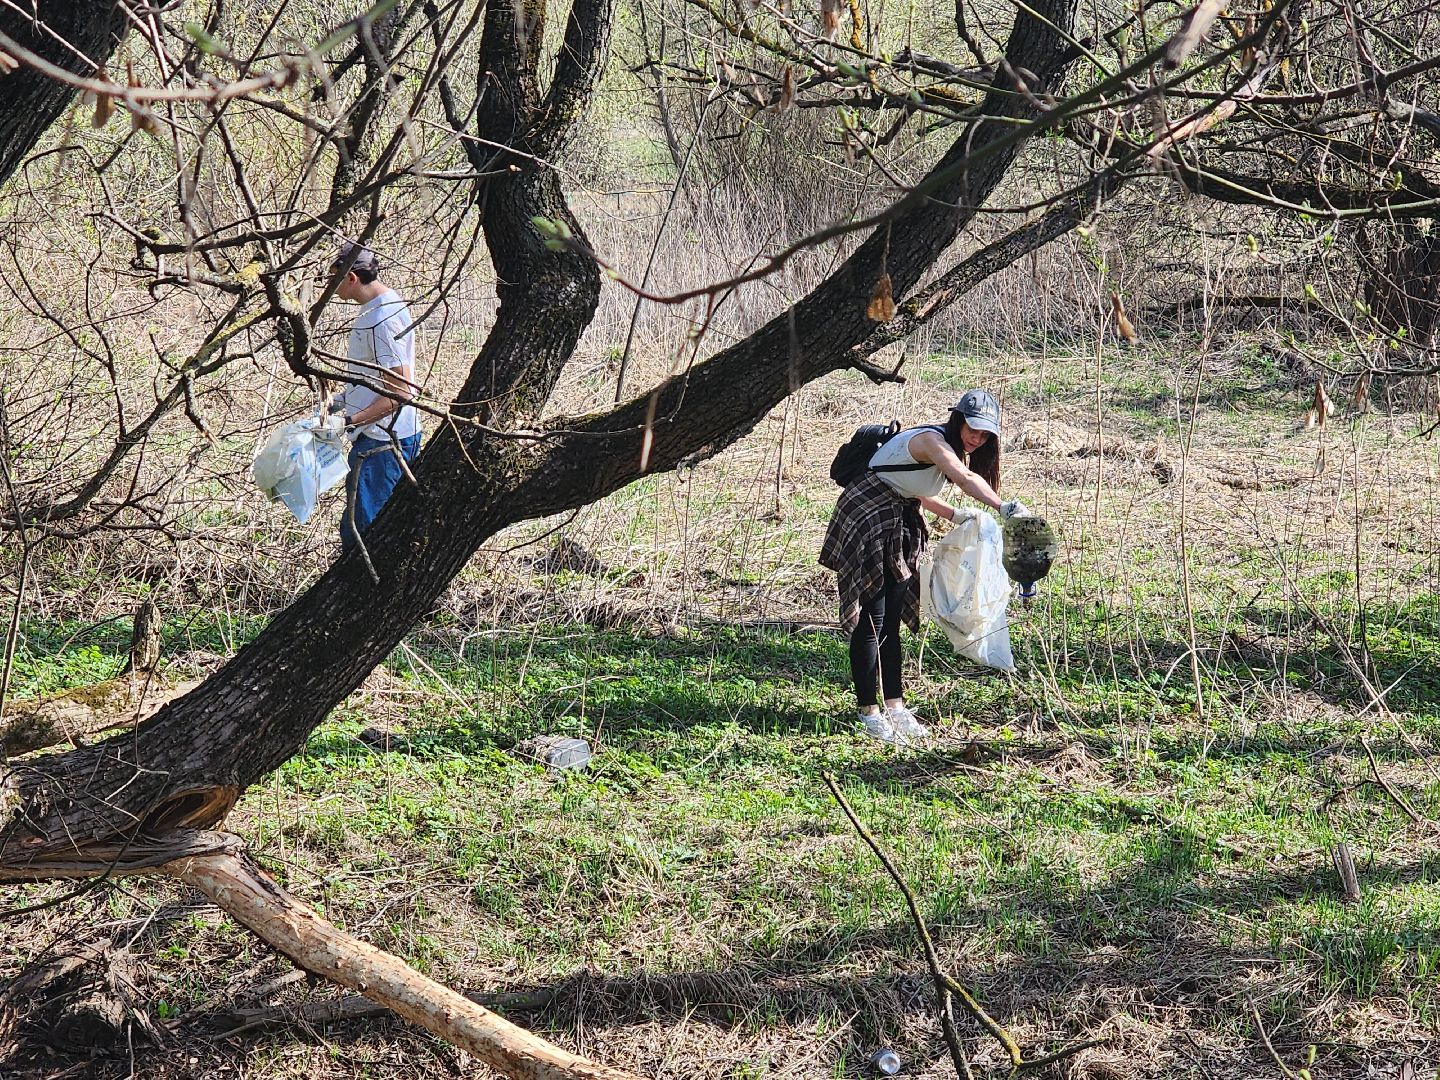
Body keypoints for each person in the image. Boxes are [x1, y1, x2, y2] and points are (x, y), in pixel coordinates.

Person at [820, 389, 1026, 744]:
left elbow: (912, 487)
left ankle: (896, 707)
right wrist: (1003, 507)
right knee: (872, 618)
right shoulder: (932, 441)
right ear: (957, 420)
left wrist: (955, 514)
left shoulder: (950, 447)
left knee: (891, 621)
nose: (977, 439)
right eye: (973, 429)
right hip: (869, 514)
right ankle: (869, 713)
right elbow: (964, 478)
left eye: (985, 435)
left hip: (898, 517)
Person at [326, 242, 422, 551]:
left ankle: (361, 582)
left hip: (383, 442)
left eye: (334, 278)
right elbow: (377, 379)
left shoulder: (384, 318)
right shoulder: (378, 309)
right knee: (369, 527)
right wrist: (342, 400)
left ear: (351, 278)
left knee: (364, 532)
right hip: (378, 437)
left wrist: (349, 421)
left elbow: (400, 391)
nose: (330, 286)